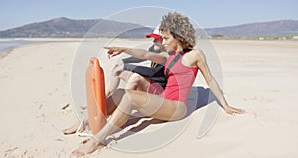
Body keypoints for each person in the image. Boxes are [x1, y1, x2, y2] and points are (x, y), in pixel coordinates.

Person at [70, 12, 245, 157]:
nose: (163, 41)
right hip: (163, 100)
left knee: (130, 98)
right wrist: (124, 49)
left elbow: (211, 80)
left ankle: (96, 141)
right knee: (119, 94)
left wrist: (226, 105)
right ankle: (86, 123)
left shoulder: (195, 55)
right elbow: (145, 55)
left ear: (179, 37)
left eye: (166, 38)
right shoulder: (168, 56)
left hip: (176, 108)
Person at [62, 26, 167, 135]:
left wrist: (128, 66)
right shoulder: (154, 48)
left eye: (157, 39)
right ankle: (102, 99)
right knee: (118, 70)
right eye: (153, 38)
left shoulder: (168, 56)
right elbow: (143, 57)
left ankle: (121, 110)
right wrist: (123, 61)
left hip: (159, 94)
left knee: (135, 77)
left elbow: (154, 73)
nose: (153, 41)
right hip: (151, 85)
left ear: (165, 40)